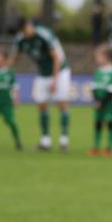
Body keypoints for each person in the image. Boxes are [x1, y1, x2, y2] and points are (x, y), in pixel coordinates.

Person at [13, 18, 70, 151]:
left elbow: (56, 58)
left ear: (30, 25)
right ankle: (45, 141)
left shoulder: (44, 35)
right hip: (43, 73)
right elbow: (16, 56)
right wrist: (7, 69)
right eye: (23, 30)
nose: (26, 31)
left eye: (27, 28)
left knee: (62, 104)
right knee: (41, 105)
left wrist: (55, 80)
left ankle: (64, 140)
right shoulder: (22, 39)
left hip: (60, 71)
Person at [89, 45, 112, 157]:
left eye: (99, 57)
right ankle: (96, 147)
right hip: (98, 104)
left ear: (106, 57)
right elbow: (94, 87)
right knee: (98, 123)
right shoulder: (98, 71)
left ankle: (109, 148)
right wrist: (96, 100)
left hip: (108, 104)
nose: (97, 59)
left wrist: (102, 102)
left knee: (110, 123)